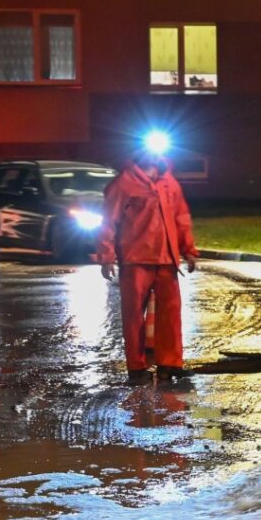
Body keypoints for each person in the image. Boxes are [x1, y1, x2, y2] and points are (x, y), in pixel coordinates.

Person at [97, 146, 199, 384]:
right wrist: (106, 255)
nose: (153, 157)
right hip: (135, 260)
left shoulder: (168, 183)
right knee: (134, 317)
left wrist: (189, 251)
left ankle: (170, 365)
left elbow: (181, 218)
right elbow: (108, 221)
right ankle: (136, 368)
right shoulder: (124, 183)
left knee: (170, 315)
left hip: (166, 260)